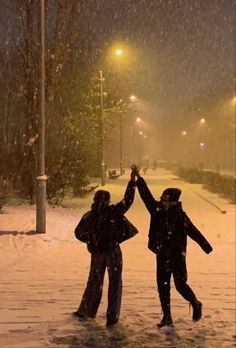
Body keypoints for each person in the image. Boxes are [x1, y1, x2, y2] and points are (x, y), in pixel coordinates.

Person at [131, 165, 213, 328]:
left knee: (180, 285)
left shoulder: (180, 217)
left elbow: (194, 232)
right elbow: (146, 196)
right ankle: (167, 317)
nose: (163, 202)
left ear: (174, 202)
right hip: (161, 253)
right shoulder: (157, 210)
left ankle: (195, 303)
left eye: (166, 200)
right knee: (163, 286)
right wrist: (138, 179)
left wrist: (206, 246)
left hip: (177, 256)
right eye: (162, 199)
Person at [73, 171, 138, 327]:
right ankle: (112, 316)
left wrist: (91, 241)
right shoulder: (114, 212)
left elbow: (78, 233)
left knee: (94, 281)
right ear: (108, 201)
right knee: (115, 283)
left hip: (97, 253)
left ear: (95, 200)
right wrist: (132, 183)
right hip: (113, 251)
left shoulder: (89, 216)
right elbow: (127, 201)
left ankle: (87, 310)